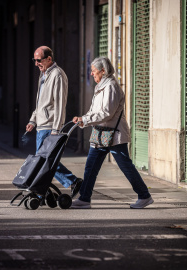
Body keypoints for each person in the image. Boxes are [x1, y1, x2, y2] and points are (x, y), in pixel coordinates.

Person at [71, 56, 154, 209]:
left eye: (94, 71)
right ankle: (84, 198)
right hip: (101, 133)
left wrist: (86, 119)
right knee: (91, 166)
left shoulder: (111, 87)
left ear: (103, 71)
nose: (91, 74)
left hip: (114, 135)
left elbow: (107, 113)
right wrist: (84, 119)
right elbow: (94, 111)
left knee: (125, 166)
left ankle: (144, 195)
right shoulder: (101, 86)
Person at [26, 46, 82, 198]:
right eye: (34, 60)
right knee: (44, 160)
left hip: (50, 126)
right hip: (42, 125)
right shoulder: (44, 74)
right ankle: (46, 191)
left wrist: (56, 129)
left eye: (39, 60)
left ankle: (68, 183)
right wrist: (33, 120)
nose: (36, 63)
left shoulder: (57, 74)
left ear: (49, 59)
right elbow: (41, 103)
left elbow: (59, 104)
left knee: (44, 161)